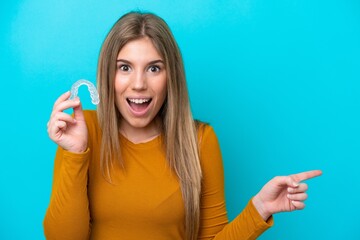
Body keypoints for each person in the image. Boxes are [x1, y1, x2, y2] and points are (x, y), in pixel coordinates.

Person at [44, 11, 322, 240]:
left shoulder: (200, 140)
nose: (139, 83)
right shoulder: (82, 132)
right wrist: (75, 154)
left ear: (170, 77)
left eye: (154, 68)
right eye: (124, 67)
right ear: (108, 73)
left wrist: (259, 208)